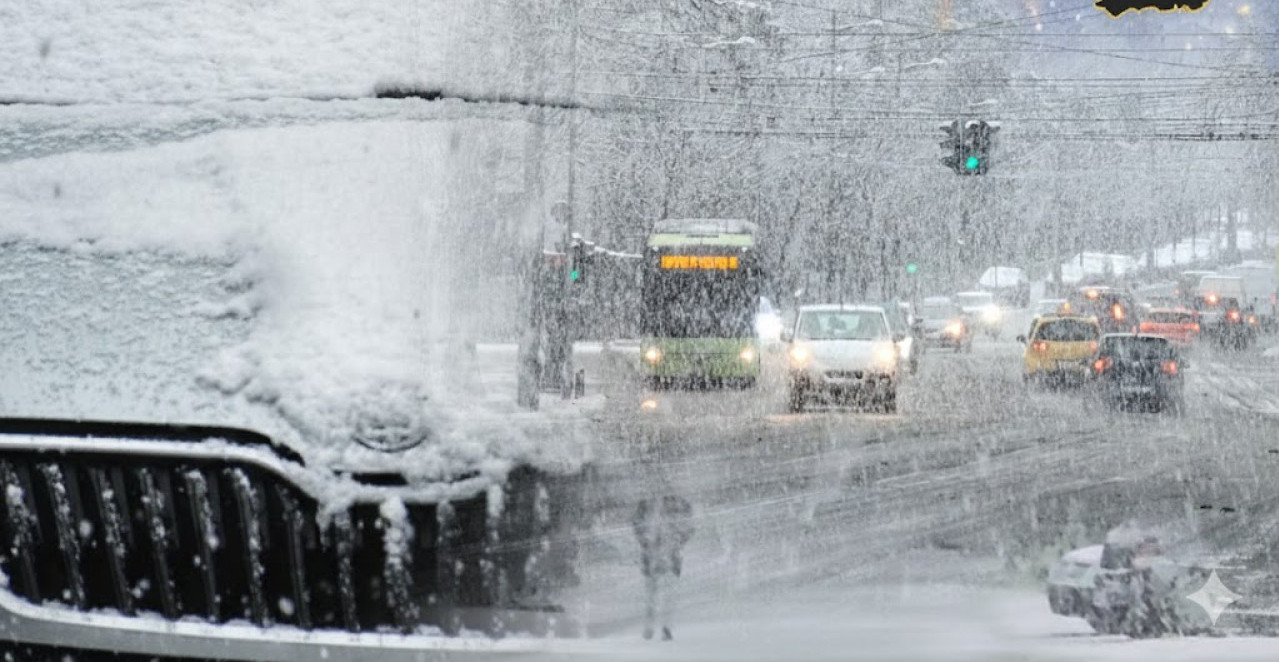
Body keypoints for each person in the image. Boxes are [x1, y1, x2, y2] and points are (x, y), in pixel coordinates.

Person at [632, 494, 694, 641]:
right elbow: (636, 525)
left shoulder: (677, 502)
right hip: (654, 555)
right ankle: (652, 626)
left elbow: (689, 526)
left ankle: (663, 627)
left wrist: (678, 542)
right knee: (653, 593)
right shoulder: (647, 503)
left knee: (664, 593)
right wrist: (646, 542)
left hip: (667, 555)